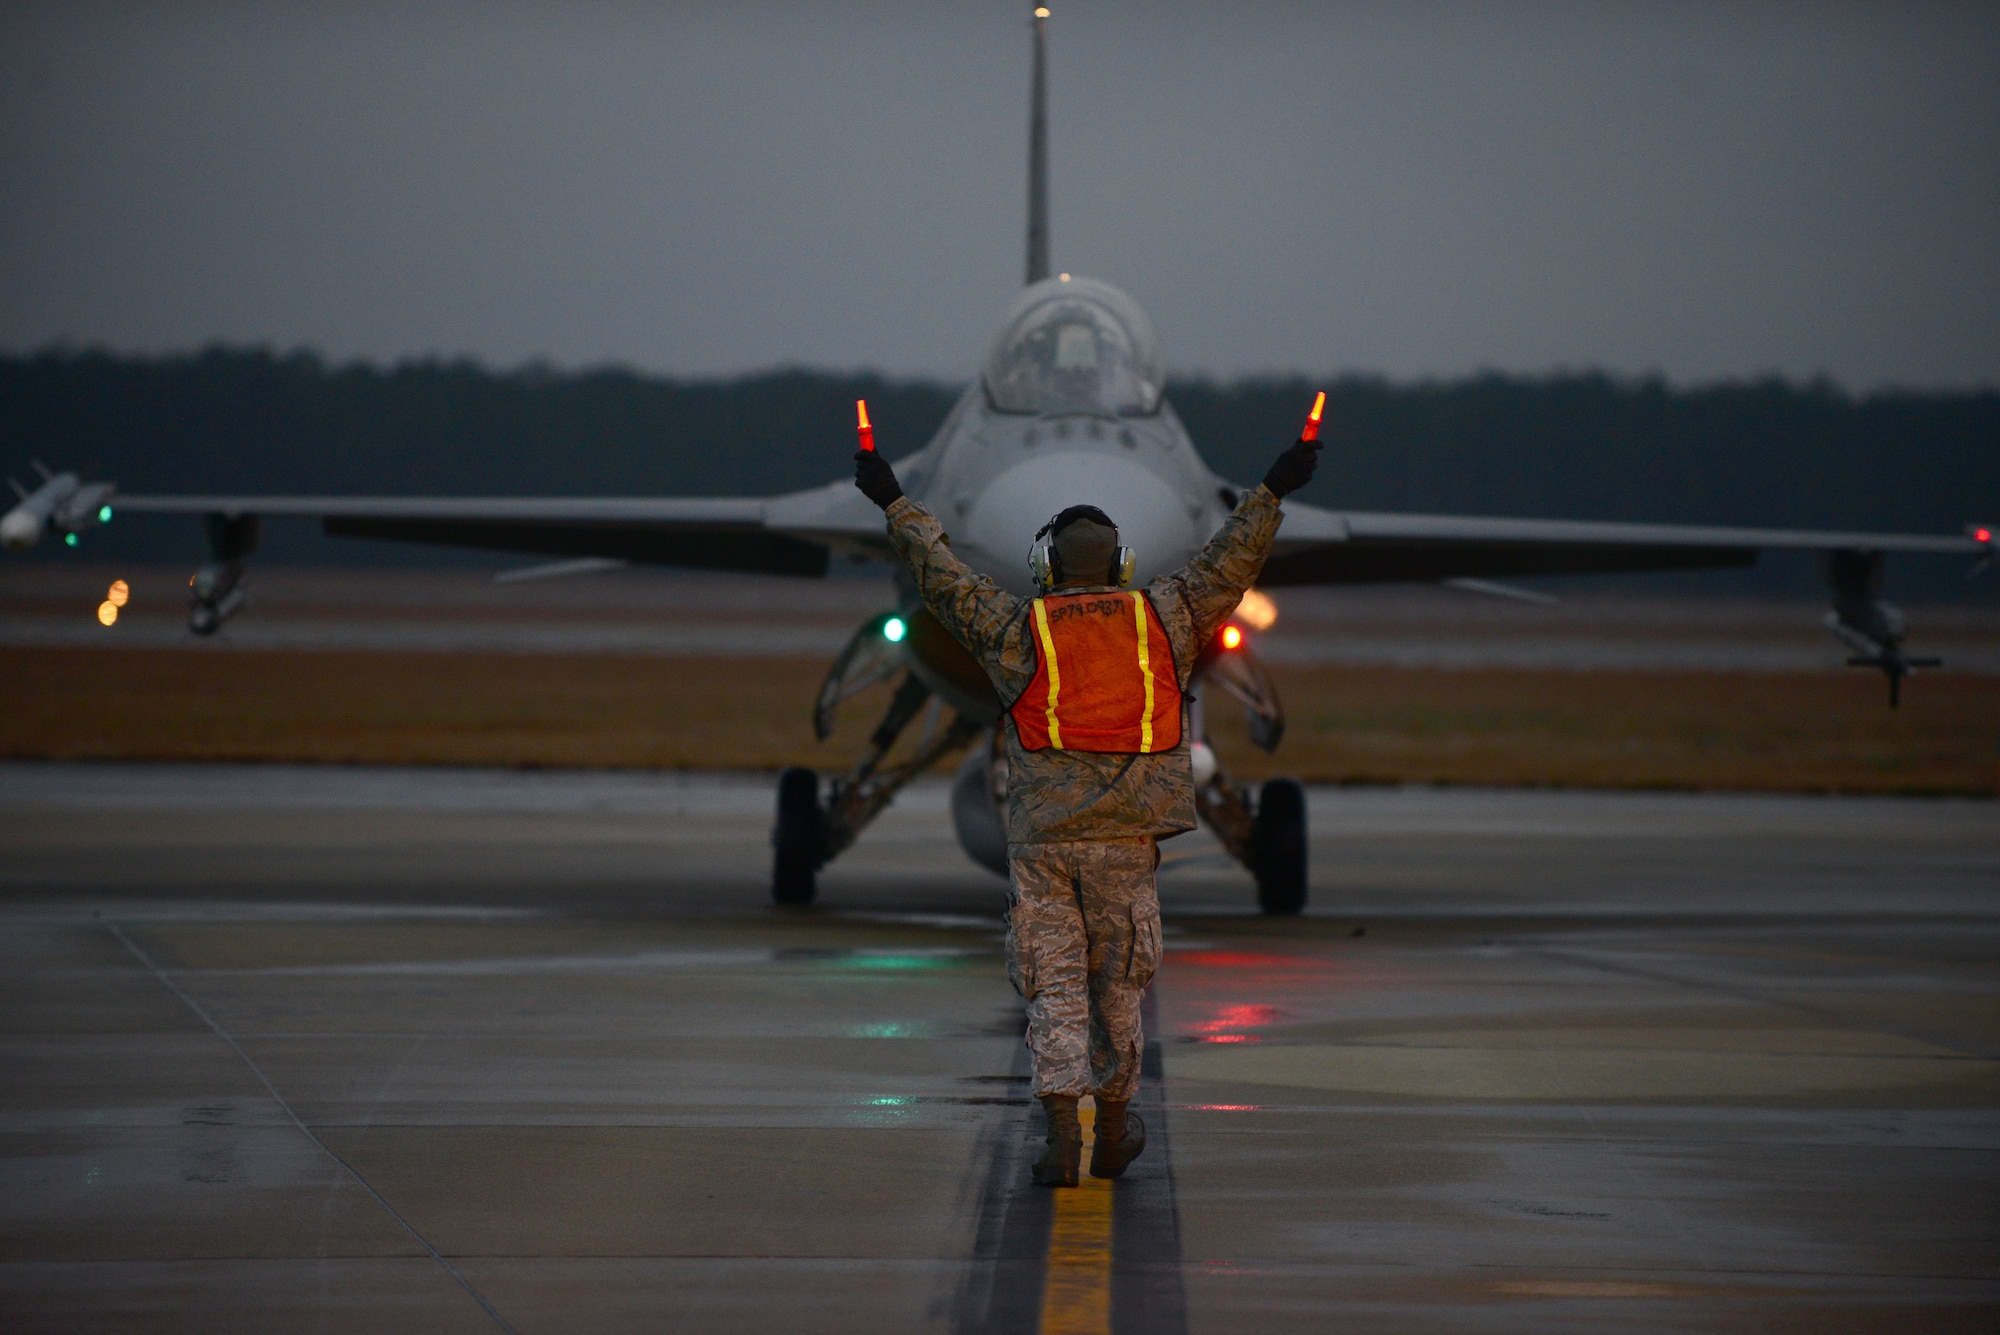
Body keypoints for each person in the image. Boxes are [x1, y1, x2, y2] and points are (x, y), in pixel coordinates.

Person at [854, 431, 1321, 1186]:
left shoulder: (1018, 633)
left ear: (1044, 565)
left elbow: (941, 578)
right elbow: (1230, 562)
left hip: (1043, 846)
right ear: (1122, 564)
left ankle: (1060, 1138)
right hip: (1126, 845)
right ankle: (1113, 1130)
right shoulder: (1162, 621)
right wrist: (1273, 486)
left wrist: (891, 499)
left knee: (1055, 991)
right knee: (1118, 992)